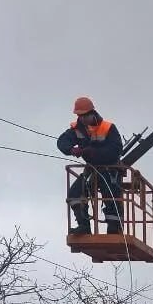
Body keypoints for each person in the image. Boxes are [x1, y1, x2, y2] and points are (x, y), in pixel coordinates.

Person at [57, 97, 124, 235]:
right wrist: (71, 149)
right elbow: (62, 141)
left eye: (84, 115)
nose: (82, 119)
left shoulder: (108, 128)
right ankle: (84, 226)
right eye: (79, 116)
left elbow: (116, 149)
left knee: (111, 196)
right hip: (92, 169)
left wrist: (94, 152)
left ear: (92, 113)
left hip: (110, 169)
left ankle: (114, 228)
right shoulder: (77, 129)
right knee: (75, 194)